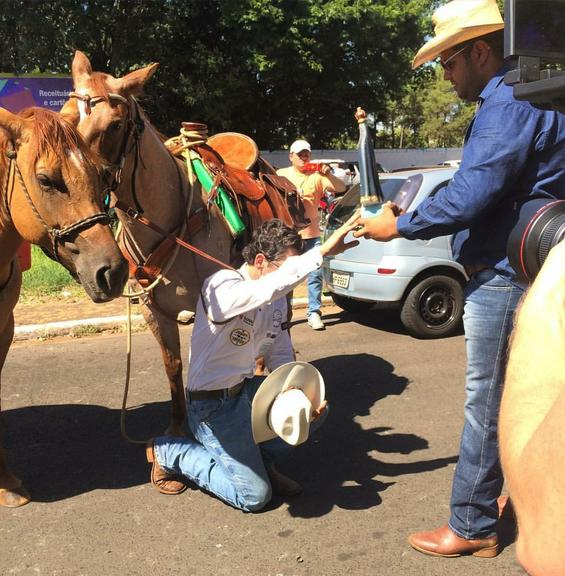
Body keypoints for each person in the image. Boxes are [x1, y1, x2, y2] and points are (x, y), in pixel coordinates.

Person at [352, 0, 565, 558]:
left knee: (487, 400)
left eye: (448, 61)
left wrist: (398, 223)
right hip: (530, 265)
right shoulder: (539, 94)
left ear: (479, 50)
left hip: (501, 273)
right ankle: (521, 491)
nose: (444, 75)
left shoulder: (508, 102)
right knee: (537, 392)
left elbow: (472, 194)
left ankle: (471, 526)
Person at [147, 217, 358, 512]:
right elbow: (261, 292)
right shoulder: (221, 285)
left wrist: (297, 393)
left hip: (246, 394)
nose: (291, 281)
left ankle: (259, 461)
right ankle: (169, 451)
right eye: (287, 272)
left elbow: (280, 354)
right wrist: (320, 253)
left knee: (313, 408)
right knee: (254, 497)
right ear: (260, 260)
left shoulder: (273, 302)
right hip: (211, 408)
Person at [499, 239, 565, 576]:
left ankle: (470, 525)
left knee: (483, 398)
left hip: (495, 279)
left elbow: (548, 550)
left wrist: (548, 302)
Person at [277, 139, 346, 330]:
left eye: (306, 154)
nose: (304, 157)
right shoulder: (281, 174)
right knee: (286, 275)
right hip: (288, 236)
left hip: (312, 234)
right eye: (300, 154)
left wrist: (329, 173)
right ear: (291, 156)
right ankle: (283, 313)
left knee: (315, 274)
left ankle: (314, 312)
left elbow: (341, 188)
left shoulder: (317, 176)